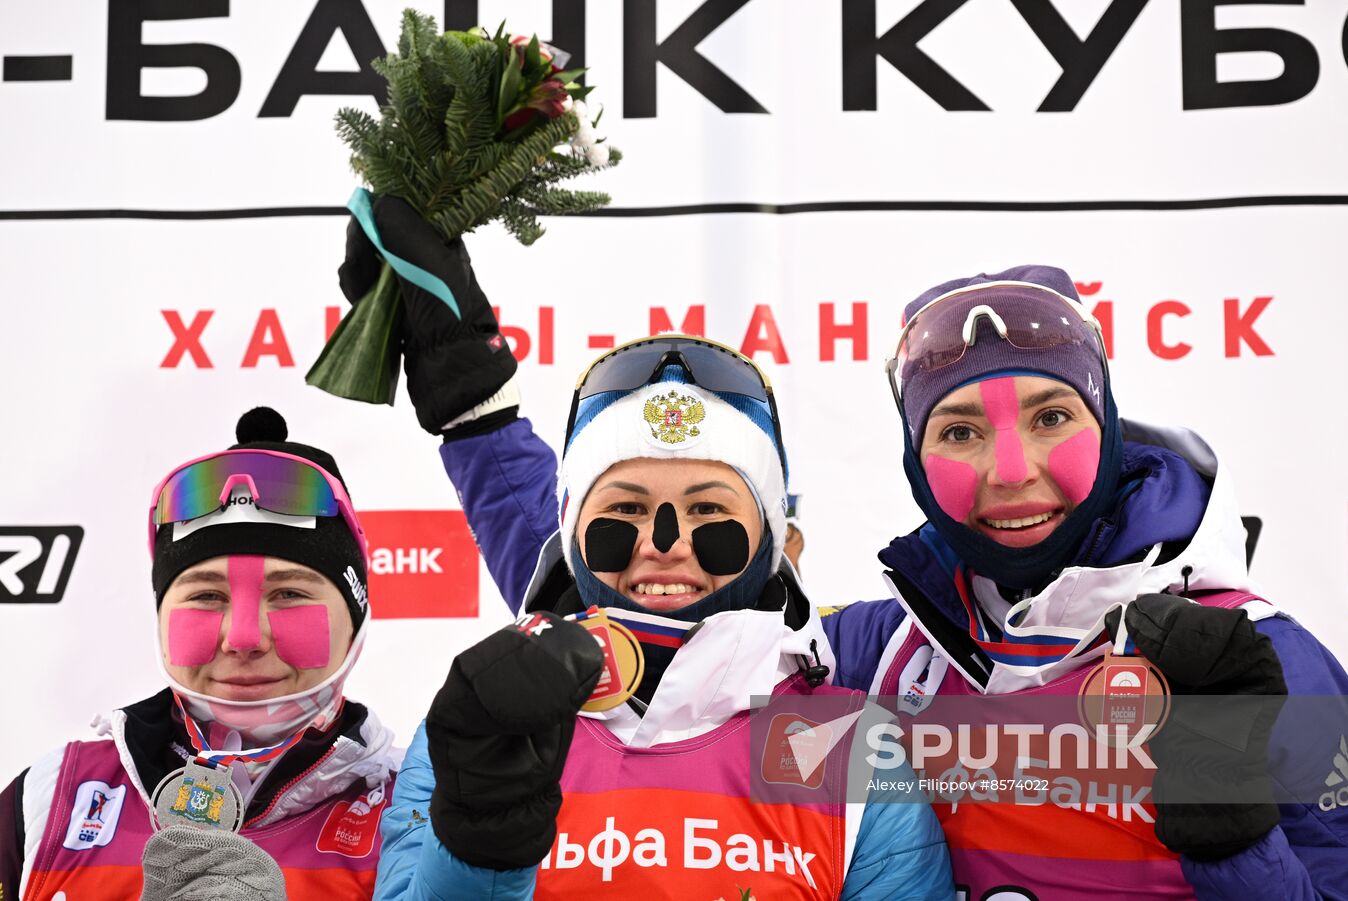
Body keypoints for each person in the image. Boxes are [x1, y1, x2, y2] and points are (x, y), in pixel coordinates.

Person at [334, 197, 954, 899]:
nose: (664, 544)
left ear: (773, 541)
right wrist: (480, 850)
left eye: (709, 510)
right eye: (624, 510)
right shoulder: (486, 720)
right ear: (570, 536)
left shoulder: (851, 745)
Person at [816, 265, 1348, 898]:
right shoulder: (869, 653)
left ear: (1106, 428)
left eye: (1051, 418)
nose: (1011, 472)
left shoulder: (1251, 653)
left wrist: (1234, 842)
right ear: (915, 462)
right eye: (959, 432)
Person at [0, 408, 398, 900]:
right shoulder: (50, 797)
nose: (244, 637)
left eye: (290, 594)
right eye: (206, 597)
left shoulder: (424, 813)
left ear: (355, 615)